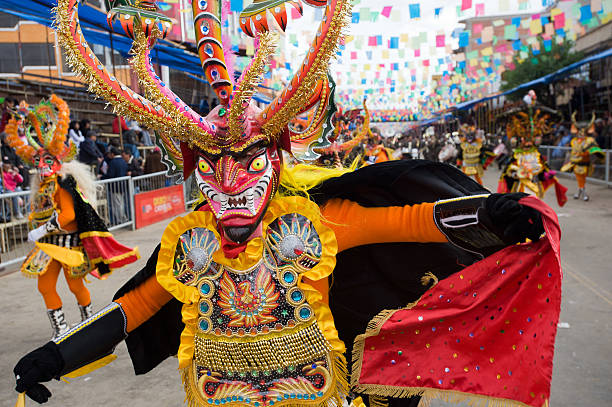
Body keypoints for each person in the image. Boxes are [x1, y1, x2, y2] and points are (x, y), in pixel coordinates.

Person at [14, 2, 563, 407]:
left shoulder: (316, 220)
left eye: (248, 163)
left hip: (312, 392)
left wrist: (494, 214)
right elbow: (133, 309)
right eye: (211, 165)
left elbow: (410, 220)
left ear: (274, 160)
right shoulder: (191, 240)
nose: (229, 180)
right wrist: (58, 357)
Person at [3, 95, 139, 341]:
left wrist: (42, 228)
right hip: (48, 245)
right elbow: (41, 211)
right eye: (37, 160)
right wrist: (36, 220)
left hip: (67, 244)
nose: (42, 164)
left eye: (47, 160)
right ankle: (61, 328)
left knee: (75, 286)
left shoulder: (63, 184)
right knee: (44, 286)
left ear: (57, 161)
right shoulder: (42, 186)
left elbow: (69, 214)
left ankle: (88, 321)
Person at [560, 113, 605, 201]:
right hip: (576, 163)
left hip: (585, 163)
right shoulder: (574, 141)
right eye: (579, 132)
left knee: (583, 178)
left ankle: (581, 191)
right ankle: (581, 191)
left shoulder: (589, 141)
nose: (581, 133)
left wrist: (585, 154)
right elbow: (572, 151)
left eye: (583, 132)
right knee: (579, 178)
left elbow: (593, 150)